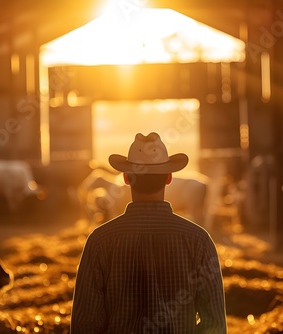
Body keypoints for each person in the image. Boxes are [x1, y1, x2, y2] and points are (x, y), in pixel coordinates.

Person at [70, 132, 227, 334]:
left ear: (126, 178)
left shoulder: (99, 241)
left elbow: (85, 324)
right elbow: (214, 323)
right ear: (169, 178)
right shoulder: (198, 240)